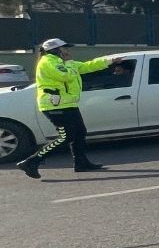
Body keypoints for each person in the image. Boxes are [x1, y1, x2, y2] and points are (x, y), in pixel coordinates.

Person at [15, 38, 123, 179]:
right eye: (64, 48)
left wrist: (109, 61)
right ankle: (32, 161)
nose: (68, 51)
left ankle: (81, 163)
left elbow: (87, 66)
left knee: (80, 132)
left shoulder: (63, 63)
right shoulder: (48, 62)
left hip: (68, 103)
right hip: (54, 105)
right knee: (67, 136)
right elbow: (64, 76)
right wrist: (71, 66)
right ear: (55, 50)